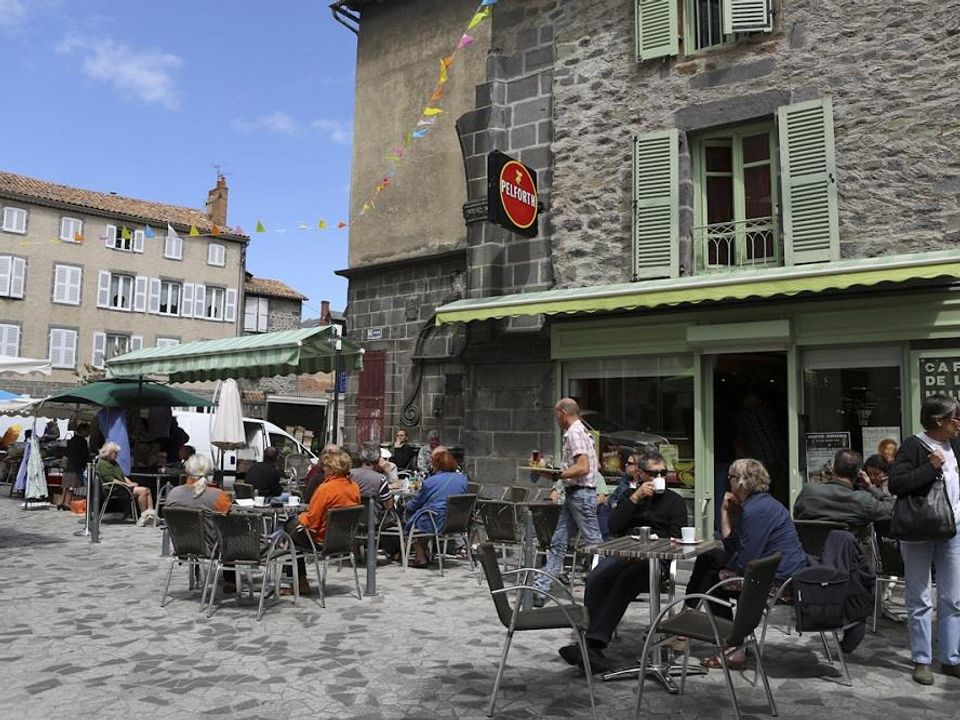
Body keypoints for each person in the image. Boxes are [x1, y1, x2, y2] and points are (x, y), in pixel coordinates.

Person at [558, 451, 686, 672]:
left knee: (625, 581)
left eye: (663, 473)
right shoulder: (630, 495)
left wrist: (646, 551)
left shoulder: (674, 501)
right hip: (625, 555)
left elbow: (677, 538)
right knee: (597, 576)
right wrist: (635, 498)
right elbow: (614, 526)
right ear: (641, 474)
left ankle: (592, 643)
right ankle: (592, 643)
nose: (659, 477)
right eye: (654, 473)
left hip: (655, 561)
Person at [685, 458, 807, 668]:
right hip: (778, 572)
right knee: (709, 561)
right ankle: (691, 616)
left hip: (778, 580)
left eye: (730, 477)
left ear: (741, 482)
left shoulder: (755, 511)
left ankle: (731, 646)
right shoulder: (756, 504)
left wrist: (723, 564)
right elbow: (731, 544)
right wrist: (724, 512)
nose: (728, 482)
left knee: (713, 582)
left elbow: (745, 561)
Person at [889, 394, 960, 685]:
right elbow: (897, 484)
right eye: (956, 417)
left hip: (954, 529)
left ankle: (951, 658)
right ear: (939, 420)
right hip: (919, 530)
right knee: (919, 598)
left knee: (952, 598)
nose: (959, 423)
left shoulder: (956, 444)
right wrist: (930, 468)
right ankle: (922, 660)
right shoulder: (912, 445)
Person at [533, 398, 604, 605]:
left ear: (564, 413)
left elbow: (583, 467)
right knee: (559, 542)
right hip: (575, 494)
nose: (555, 419)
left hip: (580, 494)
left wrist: (558, 475)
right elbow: (593, 465)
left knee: (595, 544)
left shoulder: (574, 433)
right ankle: (541, 589)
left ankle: (610, 584)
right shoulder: (581, 432)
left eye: (556, 414)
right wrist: (557, 473)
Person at [285, 448, 360, 596]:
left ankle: (300, 582)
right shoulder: (354, 487)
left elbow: (312, 521)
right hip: (343, 540)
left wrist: (299, 519)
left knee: (290, 530)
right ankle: (299, 581)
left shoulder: (326, 489)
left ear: (332, 469)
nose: (323, 469)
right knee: (293, 532)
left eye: (325, 467)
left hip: (320, 540)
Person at [794, 449, 895, 527]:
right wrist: (871, 487)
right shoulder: (863, 500)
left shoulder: (809, 491)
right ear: (858, 473)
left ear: (833, 468)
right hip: (848, 552)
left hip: (812, 551)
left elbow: (797, 516)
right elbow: (894, 509)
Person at [402, 448, 467, 568]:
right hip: (456, 521)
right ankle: (425, 552)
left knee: (410, 516)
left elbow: (417, 502)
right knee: (422, 516)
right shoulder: (462, 480)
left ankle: (420, 557)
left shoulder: (430, 482)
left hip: (436, 521)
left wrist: (407, 506)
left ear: (436, 464)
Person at [96, 441, 155, 524]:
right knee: (143, 491)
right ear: (109, 453)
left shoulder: (114, 463)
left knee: (147, 490)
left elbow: (122, 476)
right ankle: (143, 517)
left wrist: (131, 483)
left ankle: (151, 515)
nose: (116, 455)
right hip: (114, 488)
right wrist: (128, 485)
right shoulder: (102, 464)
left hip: (122, 486)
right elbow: (112, 480)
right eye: (115, 453)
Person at [350, 444, 395, 521]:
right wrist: (388, 472)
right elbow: (388, 506)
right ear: (377, 460)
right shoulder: (380, 479)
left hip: (352, 519)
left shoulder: (349, 474)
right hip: (373, 520)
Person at [59, 423, 90, 511]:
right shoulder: (82, 441)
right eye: (87, 431)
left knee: (67, 485)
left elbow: (66, 452)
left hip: (69, 464)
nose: (88, 433)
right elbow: (84, 455)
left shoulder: (72, 439)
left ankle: (62, 501)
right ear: (83, 431)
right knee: (71, 485)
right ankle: (67, 503)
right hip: (76, 465)